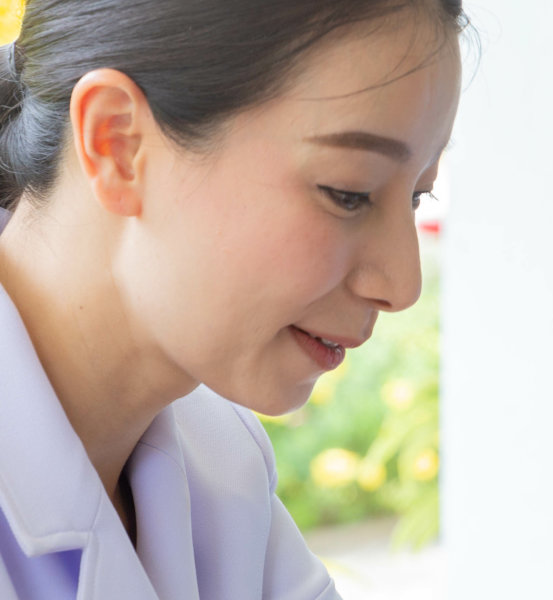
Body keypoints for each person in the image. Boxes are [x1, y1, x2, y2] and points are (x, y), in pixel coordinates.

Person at [0, 0, 464, 597]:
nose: (403, 286)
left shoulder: (223, 470)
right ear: (116, 143)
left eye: (418, 197)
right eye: (349, 193)